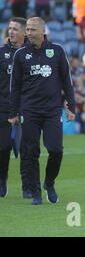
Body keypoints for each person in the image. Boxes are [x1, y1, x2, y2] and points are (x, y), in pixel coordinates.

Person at [8, 17, 76, 205]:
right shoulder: (21, 55)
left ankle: (49, 182)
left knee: (56, 150)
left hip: (52, 110)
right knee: (31, 152)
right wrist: (13, 112)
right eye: (27, 29)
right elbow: (15, 87)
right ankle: (36, 192)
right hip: (29, 111)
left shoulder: (57, 51)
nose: (28, 33)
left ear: (42, 31)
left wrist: (71, 106)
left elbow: (67, 82)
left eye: (32, 30)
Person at [0, 17, 27, 198]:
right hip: (3, 106)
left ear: (25, 32)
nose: (11, 31)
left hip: (27, 107)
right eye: (10, 28)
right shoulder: (2, 53)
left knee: (29, 149)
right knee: (3, 146)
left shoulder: (32, 53)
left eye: (15, 28)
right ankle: (2, 179)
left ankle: (29, 185)